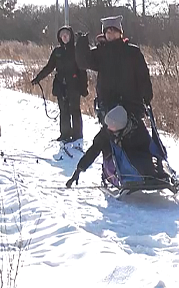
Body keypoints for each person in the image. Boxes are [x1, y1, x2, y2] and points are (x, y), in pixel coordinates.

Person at [73, 15, 159, 178]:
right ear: (104, 34)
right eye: (108, 32)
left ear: (120, 32)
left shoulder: (133, 52)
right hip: (109, 107)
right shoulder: (101, 53)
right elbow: (83, 62)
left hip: (132, 104)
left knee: (139, 138)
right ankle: (110, 169)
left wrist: (146, 97)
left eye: (114, 31)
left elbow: (143, 76)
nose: (111, 34)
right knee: (108, 139)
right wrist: (82, 43)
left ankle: (151, 170)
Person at [31, 26, 88, 148]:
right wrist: (38, 78)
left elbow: (83, 70)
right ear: (60, 37)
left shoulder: (75, 50)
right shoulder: (57, 52)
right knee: (64, 111)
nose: (65, 36)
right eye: (62, 35)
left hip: (74, 85)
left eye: (67, 34)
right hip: (60, 86)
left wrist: (84, 87)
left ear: (70, 36)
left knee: (75, 111)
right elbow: (49, 67)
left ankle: (77, 136)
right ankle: (65, 134)